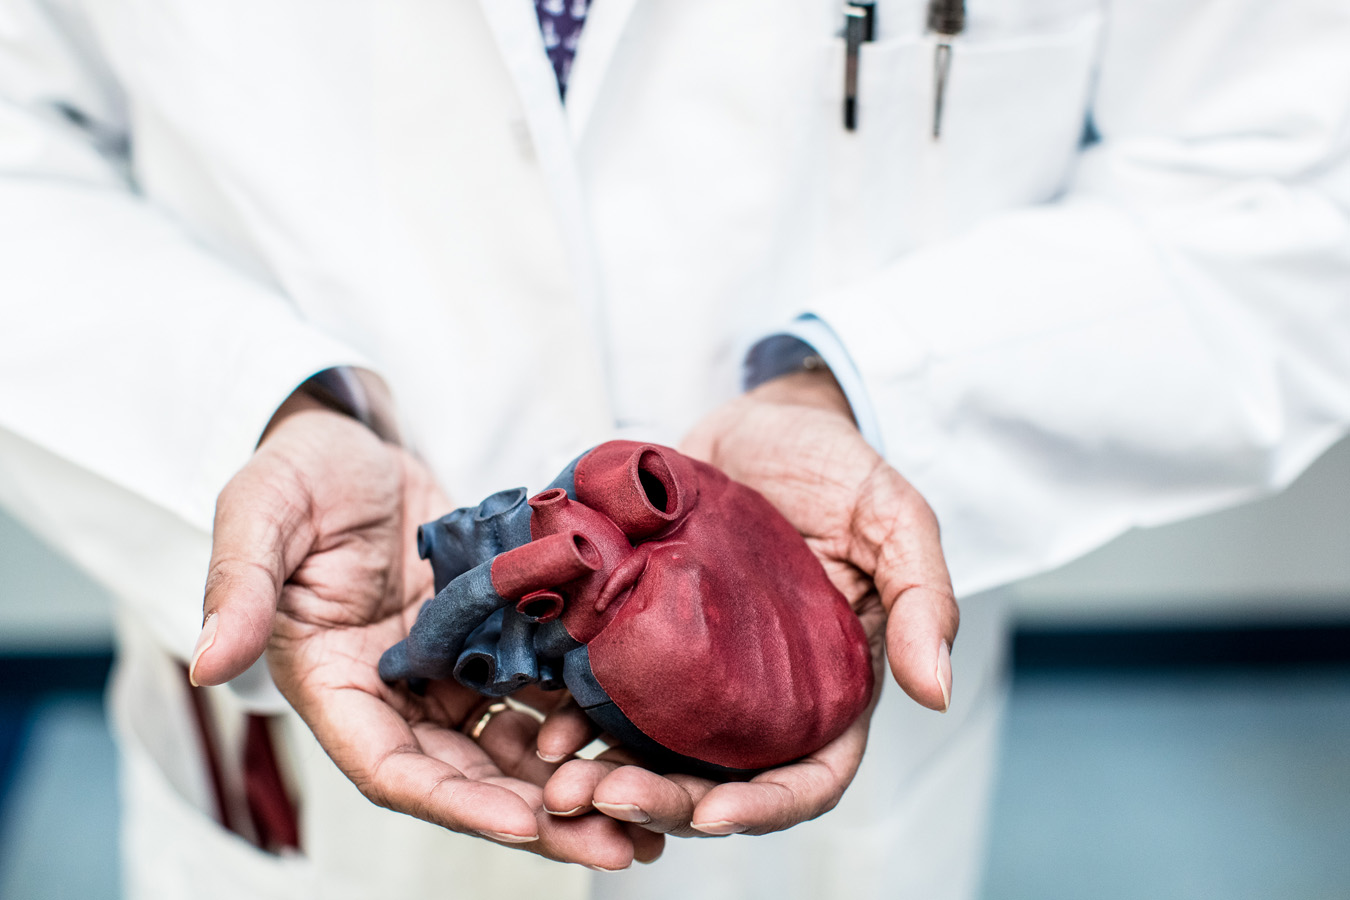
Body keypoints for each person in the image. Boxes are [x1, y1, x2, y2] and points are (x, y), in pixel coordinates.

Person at [2, 0, 1348, 898]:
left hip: (840, 758)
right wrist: (257, 410)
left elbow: (1295, 186)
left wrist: (861, 396)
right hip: (298, 777)